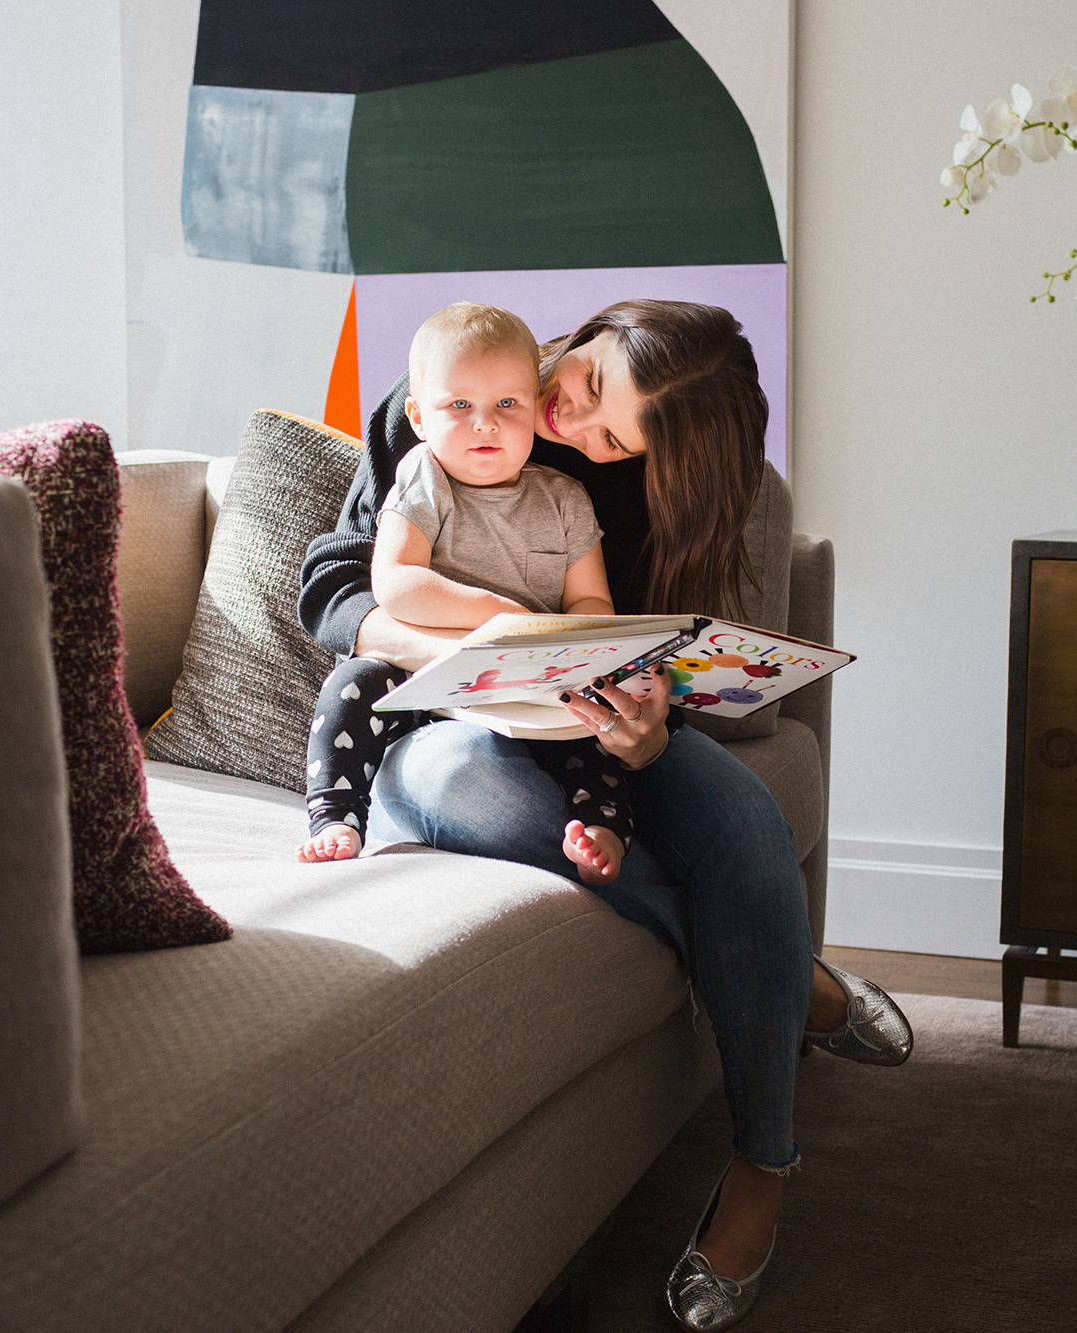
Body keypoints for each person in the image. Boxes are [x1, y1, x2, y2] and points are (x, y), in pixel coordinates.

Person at [300, 300, 912, 1330]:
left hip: (587, 727)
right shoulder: (450, 397)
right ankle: (782, 977)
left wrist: (644, 727)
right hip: (442, 719)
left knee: (735, 813)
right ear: (588, 333)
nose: (565, 420)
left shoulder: (643, 488)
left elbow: (641, 646)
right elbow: (334, 587)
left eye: (608, 435)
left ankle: (762, 1162)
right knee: (475, 786)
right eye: (582, 385)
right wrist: (442, 639)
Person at [296, 303, 633, 886]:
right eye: (460, 407)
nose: (486, 424)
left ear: (534, 404)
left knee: (597, 725)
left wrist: (580, 646)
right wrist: (492, 615)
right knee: (353, 682)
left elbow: (591, 603)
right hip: (425, 687)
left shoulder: (566, 497)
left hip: (532, 681)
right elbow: (397, 583)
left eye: (508, 405)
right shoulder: (422, 474)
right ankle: (337, 816)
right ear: (419, 417)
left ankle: (601, 829)